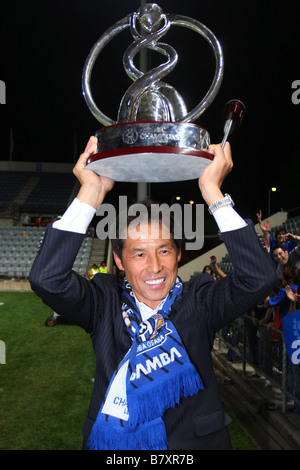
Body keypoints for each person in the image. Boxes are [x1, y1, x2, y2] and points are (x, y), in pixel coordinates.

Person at [29, 136, 275, 450]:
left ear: (179, 254)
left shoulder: (200, 300)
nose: (155, 267)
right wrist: (91, 191)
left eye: (164, 250)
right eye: (139, 254)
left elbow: (259, 276)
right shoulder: (103, 302)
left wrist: (212, 191)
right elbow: (47, 278)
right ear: (118, 260)